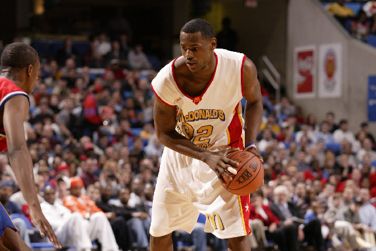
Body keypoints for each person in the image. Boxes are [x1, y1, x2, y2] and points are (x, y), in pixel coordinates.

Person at [149, 18, 263, 251]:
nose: (188, 54)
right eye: (184, 48)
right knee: (159, 231)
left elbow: (255, 101)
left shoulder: (241, 67)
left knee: (238, 233)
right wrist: (204, 156)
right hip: (180, 156)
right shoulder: (168, 79)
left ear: (212, 44)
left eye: (194, 48)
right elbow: (164, 134)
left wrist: (250, 145)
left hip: (226, 156)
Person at [0, 42, 61, 250]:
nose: (37, 79)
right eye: (38, 73)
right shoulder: (14, 94)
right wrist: (34, 206)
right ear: (30, 70)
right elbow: (16, 149)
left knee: (11, 242)